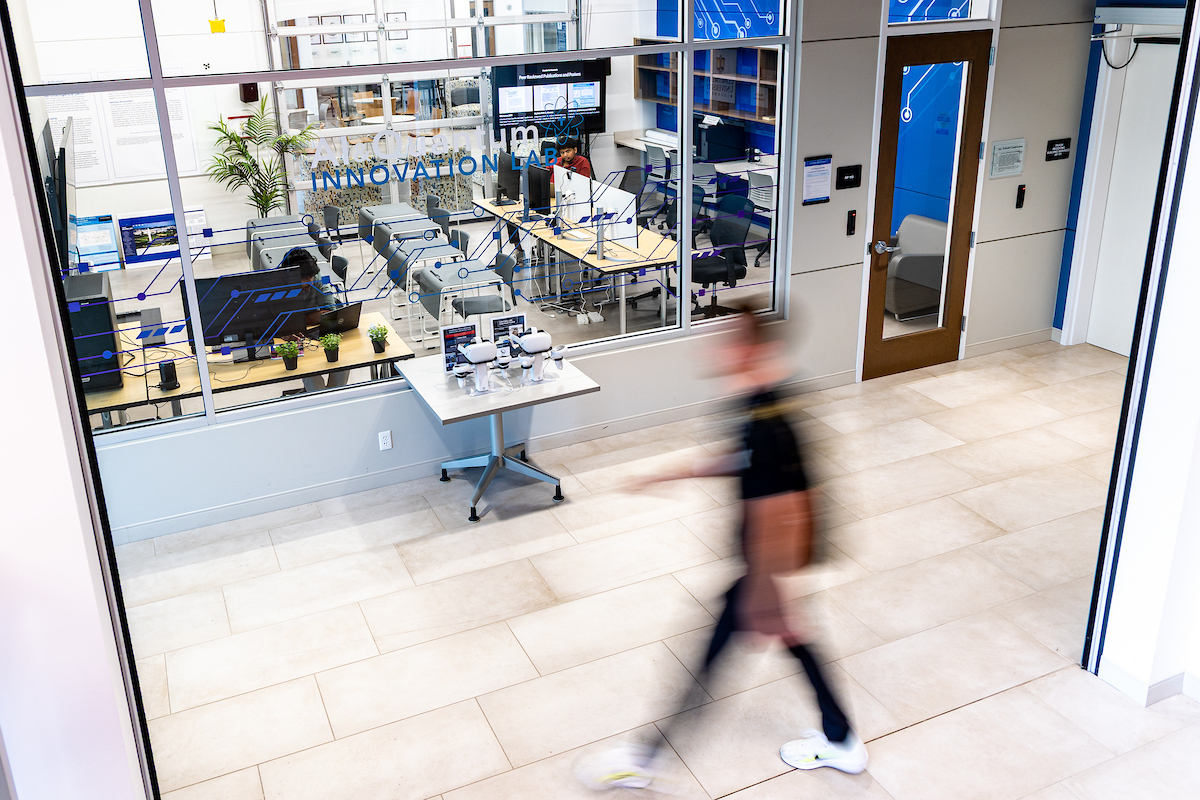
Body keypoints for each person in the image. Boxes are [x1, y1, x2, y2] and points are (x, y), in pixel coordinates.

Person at [576, 304, 867, 790]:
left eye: (728, 339)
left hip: (764, 568)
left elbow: (789, 507)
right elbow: (743, 462)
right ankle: (841, 738)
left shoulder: (769, 418)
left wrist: (765, 588)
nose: (716, 348)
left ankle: (645, 759)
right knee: (793, 639)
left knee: (714, 654)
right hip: (767, 568)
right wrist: (669, 473)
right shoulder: (762, 400)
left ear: (752, 347)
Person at [280, 248, 350, 394]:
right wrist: (311, 317)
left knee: (342, 358)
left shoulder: (316, 277)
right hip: (290, 337)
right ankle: (320, 399)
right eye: (304, 278)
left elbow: (329, 310)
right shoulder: (278, 285)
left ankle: (332, 398)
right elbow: (279, 321)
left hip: (315, 331)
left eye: (311, 277)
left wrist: (299, 320)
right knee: (308, 366)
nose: (310, 281)